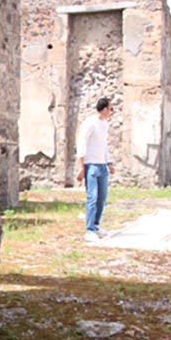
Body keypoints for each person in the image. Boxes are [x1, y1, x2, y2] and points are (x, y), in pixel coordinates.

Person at [75, 97, 114, 242]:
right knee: (92, 196)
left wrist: (108, 162)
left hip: (102, 165)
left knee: (102, 197)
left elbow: (104, 145)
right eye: (110, 109)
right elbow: (82, 143)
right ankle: (89, 230)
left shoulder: (104, 125)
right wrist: (81, 166)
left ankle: (96, 224)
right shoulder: (90, 123)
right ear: (104, 109)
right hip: (90, 165)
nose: (111, 112)